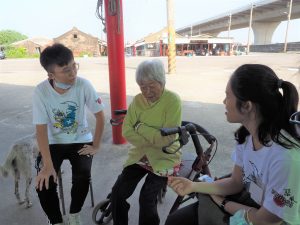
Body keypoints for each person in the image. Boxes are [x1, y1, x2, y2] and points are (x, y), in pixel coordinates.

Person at [165, 64, 300, 225]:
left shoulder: (286, 158)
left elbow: (266, 219)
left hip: (272, 218)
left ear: (247, 106)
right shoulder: (247, 136)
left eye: (227, 96)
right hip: (254, 203)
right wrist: (192, 186)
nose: (224, 101)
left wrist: (222, 202)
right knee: (176, 220)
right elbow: (236, 182)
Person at [33, 43, 105, 225]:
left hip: (81, 139)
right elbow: (40, 129)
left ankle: (74, 214)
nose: (73, 73)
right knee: (44, 182)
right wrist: (48, 165)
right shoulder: (41, 92)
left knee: (82, 175)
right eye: (66, 70)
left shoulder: (83, 85)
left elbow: (100, 115)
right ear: (51, 75)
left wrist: (96, 144)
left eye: (74, 66)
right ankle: (56, 221)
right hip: (53, 142)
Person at [110, 59, 182, 225]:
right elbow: (127, 130)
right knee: (117, 193)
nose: (147, 92)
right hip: (140, 155)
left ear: (162, 82)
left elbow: (168, 139)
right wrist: (153, 137)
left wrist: (140, 127)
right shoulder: (137, 101)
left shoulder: (172, 101)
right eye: (143, 87)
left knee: (146, 199)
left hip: (165, 156)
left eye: (152, 86)